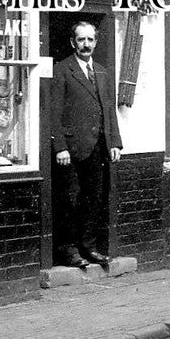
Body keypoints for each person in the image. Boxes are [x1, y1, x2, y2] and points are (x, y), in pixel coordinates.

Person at [49, 21, 123, 268]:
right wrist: (59, 146)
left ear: (96, 42)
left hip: (97, 147)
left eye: (90, 40)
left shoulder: (102, 72)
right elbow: (54, 111)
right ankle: (68, 249)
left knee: (94, 199)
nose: (86, 44)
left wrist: (115, 142)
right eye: (81, 40)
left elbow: (109, 110)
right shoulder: (62, 70)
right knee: (71, 199)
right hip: (70, 149)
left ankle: (89, 247)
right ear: (73, 43)